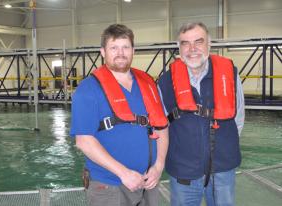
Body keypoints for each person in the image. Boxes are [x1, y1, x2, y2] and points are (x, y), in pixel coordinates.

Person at [70, 24, 169, 206]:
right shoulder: (88, 89)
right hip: (109, 186)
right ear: (103, 52)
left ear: (133, 50)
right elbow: (83, 141)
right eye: (114, 48)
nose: (120, 53)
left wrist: (159, 166)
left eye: (125, 47)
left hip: (148, 182)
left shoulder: (149, 85)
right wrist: (124, 173)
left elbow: (162, 127)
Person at [158, 22, 245, 206]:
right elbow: (162, 127)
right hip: (184, 172)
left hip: (222, 169)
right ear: (178, 48)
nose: (192, 49)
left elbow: (238, 119)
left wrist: (224, 147)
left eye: (198, 41)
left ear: (209, 44)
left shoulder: (229, 75)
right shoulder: (164, 83)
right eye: (185, 43)